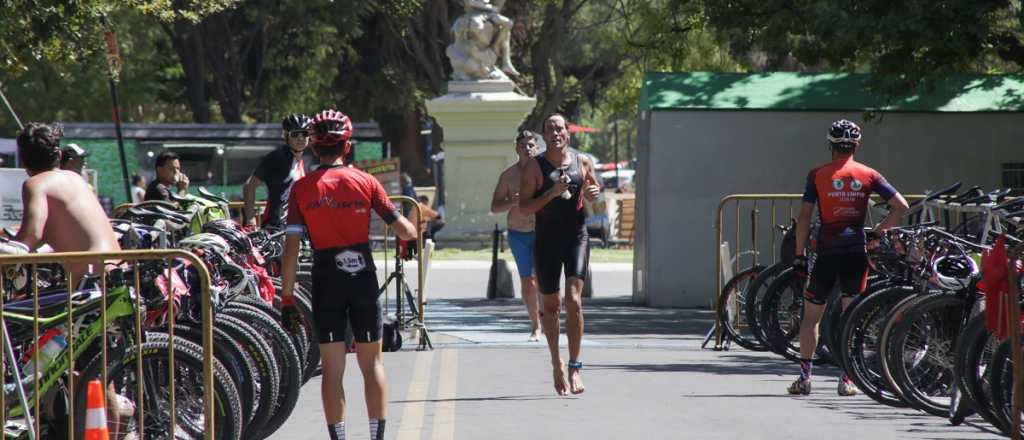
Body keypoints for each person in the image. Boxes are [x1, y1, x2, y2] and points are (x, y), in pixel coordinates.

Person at [279, 109, 417, 440]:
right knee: (372, 365)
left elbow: (291, 249)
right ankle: (376, 436)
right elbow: (406, 230)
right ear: (348, 145)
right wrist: (411, 226)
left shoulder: (302, 189)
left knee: (332, 370)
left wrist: (286, 298)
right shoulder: (366, 181)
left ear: (314, 147)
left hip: (326, 278)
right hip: (362, 278)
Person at [788, 119, 908, 396]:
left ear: (830, 145)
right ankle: (847, 379)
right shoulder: (868, 173)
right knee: (850, 316)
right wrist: (878, 232)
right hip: (855, 251)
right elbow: (901, 206)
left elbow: (804, 217)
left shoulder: (816, 174)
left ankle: (805, 379)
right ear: (856, 145)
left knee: (811, 318)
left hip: (826, 253)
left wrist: (798, 254)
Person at [518, 114, 600, 396]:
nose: (556, 132)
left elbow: (593, 191)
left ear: (568, 133)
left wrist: (592, 192)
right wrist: (552, 193)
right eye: (550, 128)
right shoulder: (534, 168)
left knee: (574, 301)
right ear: (544, 135)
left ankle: (575, 367)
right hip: (547, 242)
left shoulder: (582, 162)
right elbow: (524, 207)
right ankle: (556, 362)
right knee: (551, 308)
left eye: (560, 128)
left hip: (576, 238)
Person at [1, 123, 120, 279]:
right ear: (59, 155)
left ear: (23, 161)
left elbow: (27, 240)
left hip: (94, 287)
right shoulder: (76, 179)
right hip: (120, 276)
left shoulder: (36, 184)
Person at [490, 130, 542, 341]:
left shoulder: (546, 172)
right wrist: (513, 201)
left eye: (531, 145)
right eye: (523, 146)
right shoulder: (508, 175)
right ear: (517, 149)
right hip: (519, 233)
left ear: (537, 148)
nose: (527, 149)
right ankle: (535, 326)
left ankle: (547, 317)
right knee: (527, 281)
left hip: (542, 231)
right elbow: (494, 206)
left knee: (543, 278)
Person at [243, 113, 317, 228]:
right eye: (295, 134)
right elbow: (249, 186)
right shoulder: (276, 157)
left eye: (305, 133)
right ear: (286, 135)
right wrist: (250, 219)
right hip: (275, 227)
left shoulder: (302, 160)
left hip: (295, 226)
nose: (301, 138)